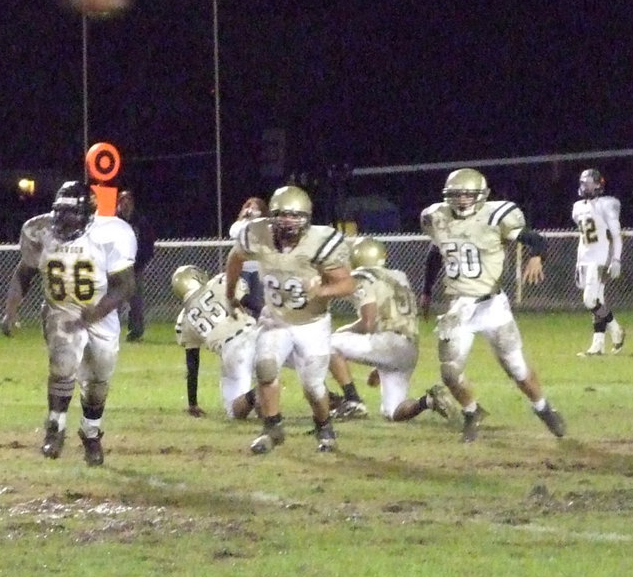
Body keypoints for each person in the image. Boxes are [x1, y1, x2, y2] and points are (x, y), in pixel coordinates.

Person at [420, 168, 566, 443]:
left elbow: (534, 239)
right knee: (450, 373)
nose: (462, 199)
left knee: (517, 369)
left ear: (481, 195)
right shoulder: (436, 217)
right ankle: (472, 412)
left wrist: (537, 256)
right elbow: (436, 252)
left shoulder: (495, 216)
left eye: (467, 194)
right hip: (459, 308)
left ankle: (544, 408)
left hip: (492, 305)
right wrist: (426, 291)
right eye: (457, 194)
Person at [1, 181, 137, 466]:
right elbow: (23, 273)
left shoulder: (109, 234)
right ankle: (55, 428)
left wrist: (97, 312)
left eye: (71, 213)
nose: (63, 220)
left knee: (98, 380)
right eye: (59, 212)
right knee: (63, 363)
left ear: (88, 212)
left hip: (100, 313)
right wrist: (11, 310)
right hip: (60, 309)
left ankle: (90, 433)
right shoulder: (40, 231)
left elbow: (125, 286)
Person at [225, 185, 356, 454]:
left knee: (313, 387)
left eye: (295, 216)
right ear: (272, 215)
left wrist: (322, 290)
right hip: (276, 318)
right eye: (282, 215)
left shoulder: (320, 242)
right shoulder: (257, 233)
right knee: (265, 367)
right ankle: (272, 428)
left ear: (307, 219)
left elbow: (347, 284)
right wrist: (230, 293)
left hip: (312, 324)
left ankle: (324, 425)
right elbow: (235, 257)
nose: (288, 222)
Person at [330, 237, 456, 422]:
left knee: (327, 343)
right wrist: (379, 361)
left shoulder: (362, 277)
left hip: (388, 342)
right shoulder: (399, 275)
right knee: (393, 412)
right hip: (409, 348)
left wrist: (342, 331)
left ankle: (352, 400)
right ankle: (428, 401)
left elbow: (368, 323)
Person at [171, 265, 258, 419]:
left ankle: (258, 394)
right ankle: (266, 393)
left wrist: (192, 403)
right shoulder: (218, 282)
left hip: (232, 351)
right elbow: (248, 300)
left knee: (234, 410)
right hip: (255, 335)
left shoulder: (184, 320)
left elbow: (193, 364)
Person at [571, 168, 626, 356]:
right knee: (598, 301)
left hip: (600, 258)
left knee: (589, 300)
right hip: (584, 258)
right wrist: (579, 261)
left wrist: (616, 259)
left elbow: (616, 236)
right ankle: (598, 345)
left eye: (588, 183)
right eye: (582, 182)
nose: (584, 186)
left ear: (598, 185)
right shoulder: (578, 207)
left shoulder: (606, 205)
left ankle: (616, 328)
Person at [116, 189, 154, 342]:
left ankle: (135, 333)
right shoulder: (111, 221)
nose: (126, 204)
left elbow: (147, 244)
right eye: (123, 201)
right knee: (113, 302)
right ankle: (110, 332)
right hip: (115, 269)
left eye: (128, 201)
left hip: (134, 269)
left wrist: (140, 264)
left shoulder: (140, 222)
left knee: (136, 302)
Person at [228, 197, 268, 318]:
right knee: (241, 297)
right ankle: (240, 323)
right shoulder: (240, 224)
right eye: (249, 207)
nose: (251, 210)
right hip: (242, 269)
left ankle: (257, 325)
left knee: (258, 302)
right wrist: (244, 218)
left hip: (257, 269)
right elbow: (234, 233)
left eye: (255, 208)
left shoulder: (264, 224)